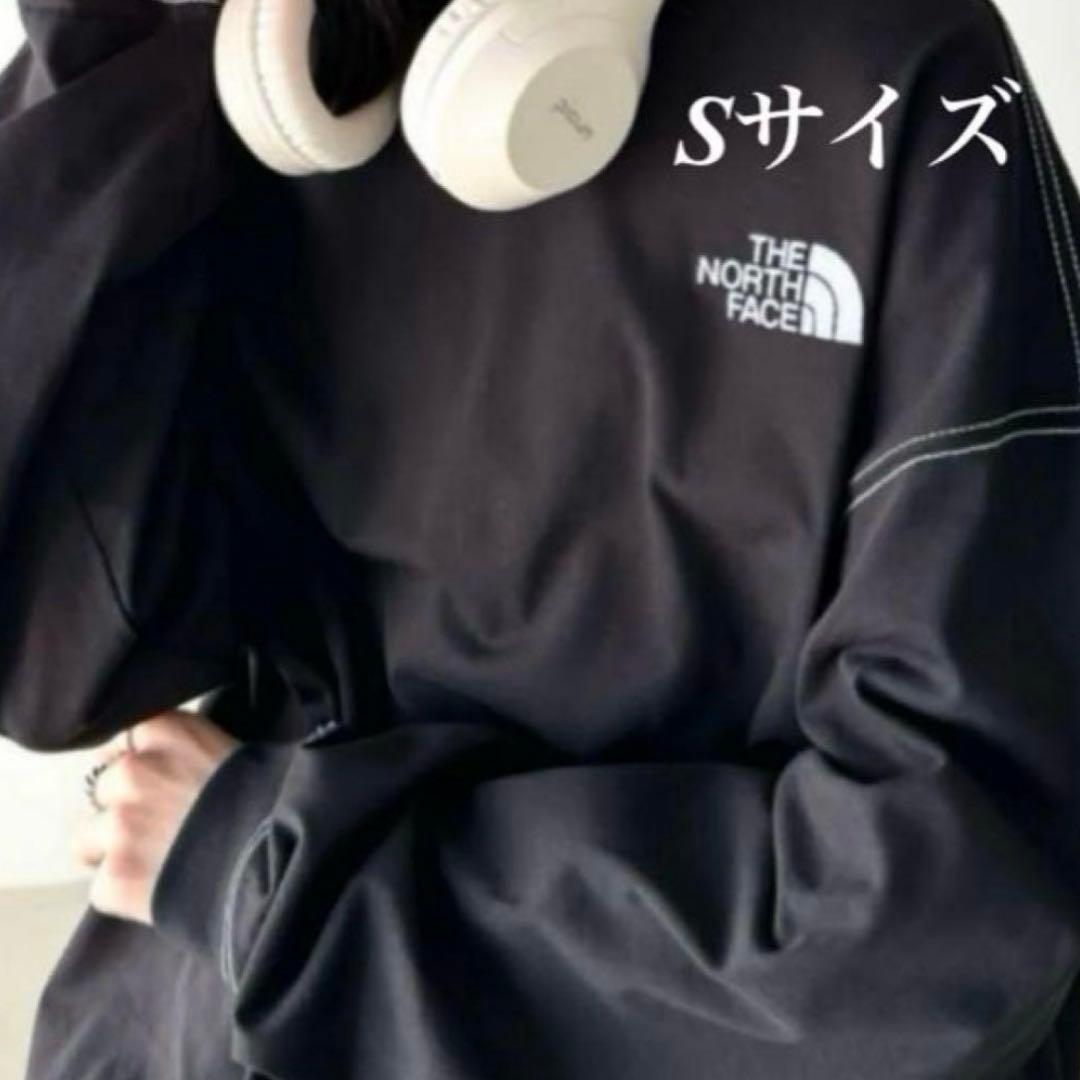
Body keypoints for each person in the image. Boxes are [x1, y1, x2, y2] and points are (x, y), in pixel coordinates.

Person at [2, 0, 1080, 1076]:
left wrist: (281, 883)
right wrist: (120, 53)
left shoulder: (890, 76)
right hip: (201, 1005)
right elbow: (59, 657)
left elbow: (951, 911)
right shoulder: (277, 55)